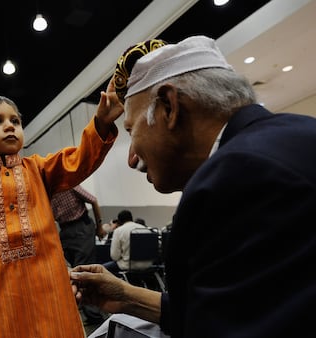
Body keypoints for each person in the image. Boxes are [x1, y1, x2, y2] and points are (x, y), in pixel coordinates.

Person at [70, 35, 316, 338]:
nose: (132, 158)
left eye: (132, 131)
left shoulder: (236, 177)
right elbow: (240, 309)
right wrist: (127, 297)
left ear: (170, 108)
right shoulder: (288, 138)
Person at [0, 92, 121, 338]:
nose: (10, 125)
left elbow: (77, 161)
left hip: (49, 291)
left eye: (15, 121)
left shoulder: (38, 169)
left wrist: (101, 124)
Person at [51, 184, 107, 324]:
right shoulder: (46, 191)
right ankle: (85, 312)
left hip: (81, 226)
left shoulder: (68, 184)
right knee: (70, 272)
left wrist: (99, 226)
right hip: (65, 231)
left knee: (84, 271)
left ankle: (94, 316)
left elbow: (93, 200)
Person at [105, 209, 150, 274]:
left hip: (128, 265)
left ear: (119, 221)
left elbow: (114, 256)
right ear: (131, 218)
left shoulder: (118, 231)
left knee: (101, 268)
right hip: (147, 265)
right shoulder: (146, 230)